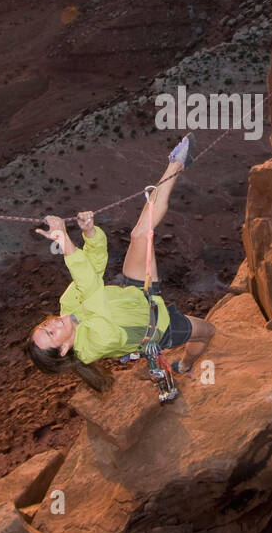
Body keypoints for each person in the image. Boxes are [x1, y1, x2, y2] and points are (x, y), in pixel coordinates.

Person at [25, 134, 216, 392]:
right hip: (158, 326)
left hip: (136, 295)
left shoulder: (66, 306)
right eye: (49, 333)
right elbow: (92, 290)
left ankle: (176, 163)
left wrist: (90, 235)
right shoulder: (95, 344)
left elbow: (92, 270)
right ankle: (186, 364)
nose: (49, 324)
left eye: (43, 326)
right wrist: (65, 243)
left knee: (140, 234)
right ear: (63, 349)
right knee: (207, 330)